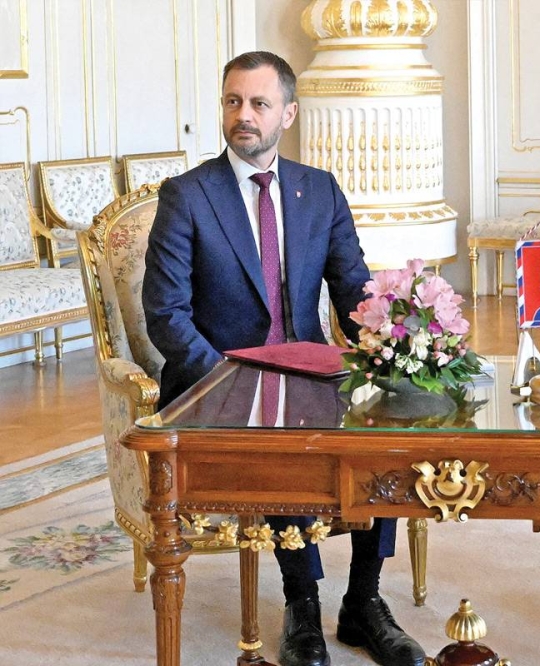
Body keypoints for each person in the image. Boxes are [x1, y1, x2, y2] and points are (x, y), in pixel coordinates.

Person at [142, 51, 425, 666]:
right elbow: (166, 313)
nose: (243, 115)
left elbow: (353, 290)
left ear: (288, 114)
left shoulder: (318, 189)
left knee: (386, 430)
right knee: (279, 430)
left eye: (258, 103)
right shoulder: (187, 195)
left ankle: (363, 601)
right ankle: (302, 603)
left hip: (312, 367)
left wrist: (401, 340)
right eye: (233, 101)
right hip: (219, 378)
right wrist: (227, 380)